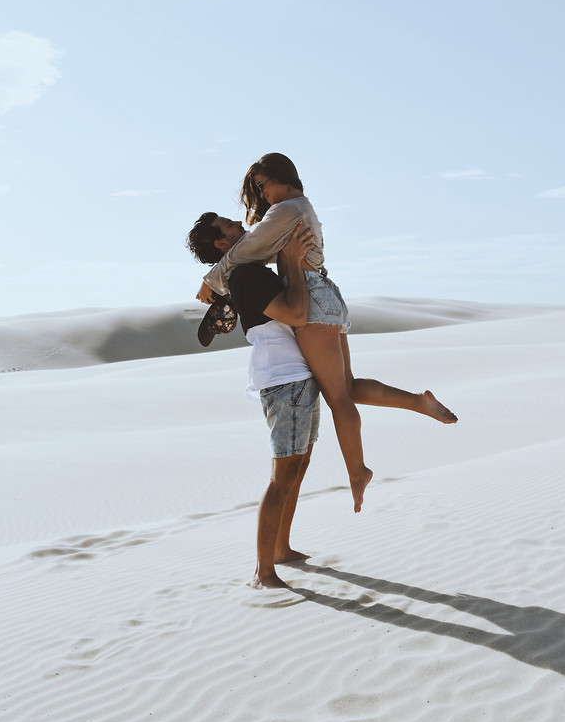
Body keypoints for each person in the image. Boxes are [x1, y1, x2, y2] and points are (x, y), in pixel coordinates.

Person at [196, 154, 457, 514]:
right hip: (325, 295)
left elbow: (247, 250)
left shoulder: (286, 210)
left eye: (261, 184)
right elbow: (254, 252)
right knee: (346, 386)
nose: (260, 193)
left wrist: (210, 280)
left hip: (311, 300)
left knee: (338, 397)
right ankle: (416, 401)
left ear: (281, 176)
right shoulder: (297, 208)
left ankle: (357, 471)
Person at [188, 214, 320, 589]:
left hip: (296, 375)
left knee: (298, 466)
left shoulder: (249, 270)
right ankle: (264, 572)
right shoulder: (245, 276)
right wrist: (292, 262)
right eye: (229, 225)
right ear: (219, 243)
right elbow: (295, 312)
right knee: (283, 477)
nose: (239, 224)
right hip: (284, 378)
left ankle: (282, 548)